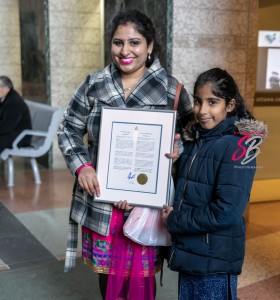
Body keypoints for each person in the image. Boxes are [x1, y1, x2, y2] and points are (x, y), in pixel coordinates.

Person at [57, 8, 193, 300]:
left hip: (147, 206)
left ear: (150, 45)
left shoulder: (172, 90)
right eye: (118, 42)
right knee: (108, 280)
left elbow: (193, 137)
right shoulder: (94, 84)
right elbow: (68, 128)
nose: (125, 50)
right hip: (104, 202)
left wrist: (178, 149)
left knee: (142, 280)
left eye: (134, 42)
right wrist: (83, 168)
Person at [162, 68, 268, 300]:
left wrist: (175, 220)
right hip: (193, 253)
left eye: (213, 102)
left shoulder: (239, 147)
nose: (202, 110)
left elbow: (226, 212)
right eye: (199, 102)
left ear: (229, 105)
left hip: (214, 262)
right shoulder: (197, 141)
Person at [0, 76, 32, 153]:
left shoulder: (14, 102)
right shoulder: (5, 98)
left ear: (6, 88)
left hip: (19, 137)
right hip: (10, 133)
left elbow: (7, 126)